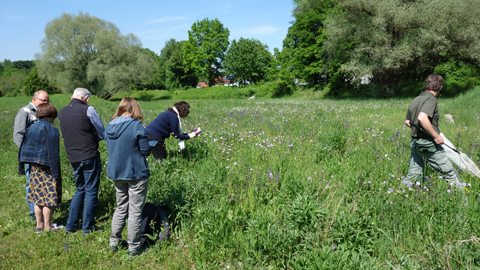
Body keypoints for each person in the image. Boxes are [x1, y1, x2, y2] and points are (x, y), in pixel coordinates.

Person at [105, 97, 151, 256]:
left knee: (120, 207)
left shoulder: (109, 125)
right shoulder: (136, 125)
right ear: (134, 109)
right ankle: (133, 246)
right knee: (135, 211)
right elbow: (145, 151)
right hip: (135, 172)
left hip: (116, 173)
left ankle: (114, 241)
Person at [58, 88, 105, 235]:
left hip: (73, 155)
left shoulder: (61, 112)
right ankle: (87, 227)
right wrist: (94, 136)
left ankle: (70, 226)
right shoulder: (89, 110)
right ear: (87, 99)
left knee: (80, 189)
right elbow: (102, 132)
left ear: (72, 97)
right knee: (91, 191)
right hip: (89, 154)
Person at [404, 74, 460, 187]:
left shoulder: (416, 99)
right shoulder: (431, 99)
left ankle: (398, 197)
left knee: (412, 176)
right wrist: (436, 136)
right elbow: (422, 118)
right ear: (440, 88)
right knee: (451, 175)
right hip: (429, 145)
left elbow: (407, 122)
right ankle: (463, 203)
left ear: (426, 85)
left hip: (415, 145)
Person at [18, 103, 62, 233]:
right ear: (52, 115)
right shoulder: (51, 129)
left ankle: (39, 226)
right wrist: (56, 172)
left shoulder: (30, 128)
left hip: (34, 167)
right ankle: (48, 227)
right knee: (48, 199)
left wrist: (22, 166)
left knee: (37, 198)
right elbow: (53, 153)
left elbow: (23, 148)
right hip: (47, 167)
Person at [13, 90, 50, 219]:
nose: (46, 103)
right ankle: (34, 213)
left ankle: (42, 210)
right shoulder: (25, 112)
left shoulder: (43, 112)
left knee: (43, 183)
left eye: (47, 100)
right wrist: (27, 153)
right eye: (43, 100)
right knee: (32, 184)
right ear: (34, 99)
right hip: (31, 156)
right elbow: (18, 135)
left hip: (43, 156)